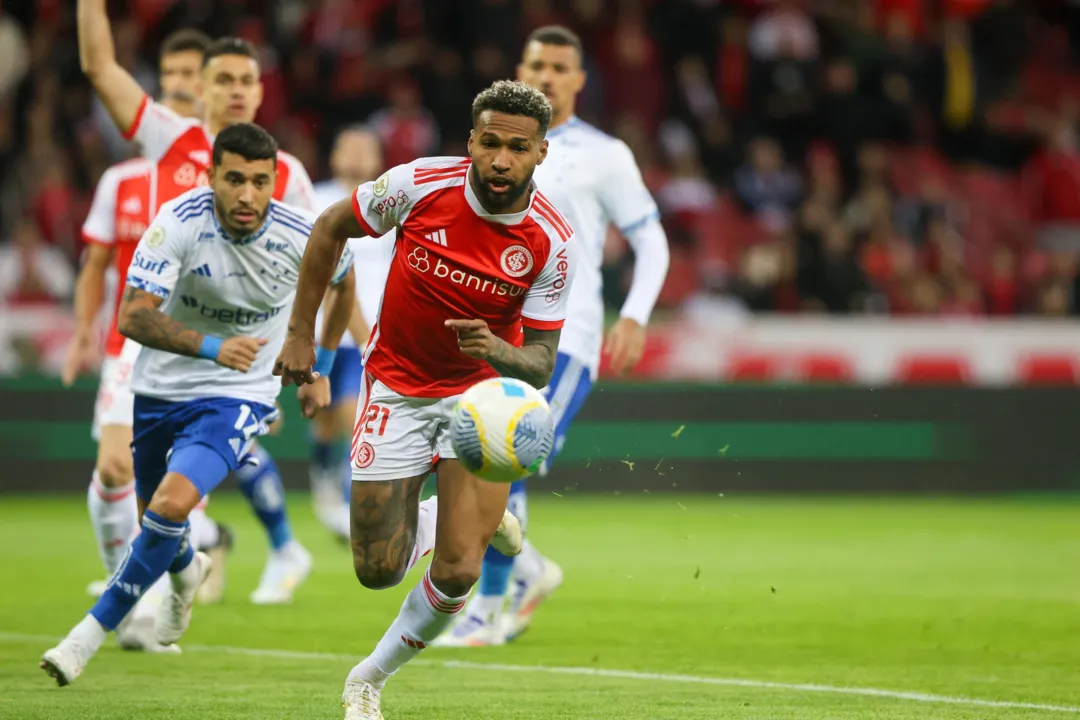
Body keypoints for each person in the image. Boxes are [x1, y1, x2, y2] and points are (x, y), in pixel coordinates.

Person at [274, 79, 571, 720]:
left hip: (483, 403)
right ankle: (440, 520)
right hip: (399, 387)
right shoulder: (418, 184)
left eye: (517, 149)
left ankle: (369, 679)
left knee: (461, 570)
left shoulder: (551, 242)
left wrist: (495, 350)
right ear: (471, 141)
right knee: (377, 570)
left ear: (541, 153)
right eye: (488, 143)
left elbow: (541, 363)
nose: (500, 160)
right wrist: (301, 334)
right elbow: (329, 228)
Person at [41, 123, 357, 687]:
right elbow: (133, 317)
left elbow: (345, 283)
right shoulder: (177, 223)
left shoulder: (301, 232)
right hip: (160, 390)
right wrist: (214, 346)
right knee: (157, 527)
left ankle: (81, 640)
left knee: (169, 506)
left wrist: (320, 369)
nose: (247, 194)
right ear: (211, 176)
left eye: (260, 182)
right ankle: (188, 573)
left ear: (274, 182)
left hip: (240, 394)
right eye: (234, 179)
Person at [77, 1, 318, 603]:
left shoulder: (283, 172)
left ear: (262, 91)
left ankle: (168, 579)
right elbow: (99, 65)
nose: (235, 91)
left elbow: (308, 274)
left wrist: (289, 364)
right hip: (149, 335)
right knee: (114, 470)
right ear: (197, 87)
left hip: (231, 355)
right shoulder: (172, 137)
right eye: (223, 80)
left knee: (179, 485)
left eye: (246, 80)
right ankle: (166, 573)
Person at [438, 26, 671, 647]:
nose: (546, 74)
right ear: (520, 68)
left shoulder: (605, 154)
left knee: (500, 456)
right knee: (468, 457)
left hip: (567, 335)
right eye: (536, 63)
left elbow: (649, 237)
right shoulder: (495, 145)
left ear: (578, 80)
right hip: (493, 329)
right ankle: (528, 568)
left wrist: (636, 312)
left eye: (559, 66)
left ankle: (489, 606)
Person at [308, 126, 392, 541]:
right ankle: (324, 480)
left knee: (354, 417)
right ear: (334, 154)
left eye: (367, 149)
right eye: (350, 147)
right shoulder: (316, 199)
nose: (358, 157)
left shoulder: (394, 202)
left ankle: (346, 505)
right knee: (325, 422)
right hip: (325, 334)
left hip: (372, 334)